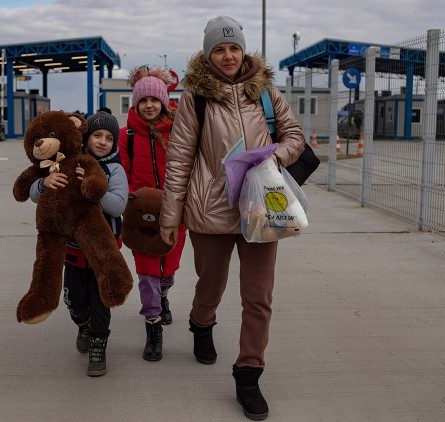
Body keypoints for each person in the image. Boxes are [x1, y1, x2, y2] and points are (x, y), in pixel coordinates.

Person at [159, 16, 306, 420]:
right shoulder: (196, 98)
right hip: (211, 208)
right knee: (211, 284)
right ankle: (201, 322)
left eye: (234, 48)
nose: (228, 56)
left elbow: (294, 135)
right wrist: (170, 216)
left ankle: (248, 376)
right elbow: (179, 160)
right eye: (220, 49)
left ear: (244, 51)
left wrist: (274, 156)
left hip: (262, 208)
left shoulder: (265, 91)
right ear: (209, 54)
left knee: (258, 297)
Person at [29, 111, 128, 377]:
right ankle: (82, 324)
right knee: (74, 300)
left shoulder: (114, 169)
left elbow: (118, 205)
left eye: (109, 137)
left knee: (100, 302)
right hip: (72, 249)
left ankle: (98, 344)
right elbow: (33, 194)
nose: (103, 141)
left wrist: (94, 188)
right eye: (97, 135)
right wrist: (44, 183)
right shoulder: (63, 161)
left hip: (102, 252)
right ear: (85, 136)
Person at [119, 66, 187, 362]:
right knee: (147, 274)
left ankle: (164, 294)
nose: (149, 105)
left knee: (168, 270)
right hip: (140, 216)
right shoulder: (127, 136)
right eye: (143, 100)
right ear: (136, 103)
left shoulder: (177, 132)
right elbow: (120, 173)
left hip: (174, 213)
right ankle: (153, 327)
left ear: (164, 102)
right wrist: (128, 201)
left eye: (154, 100)